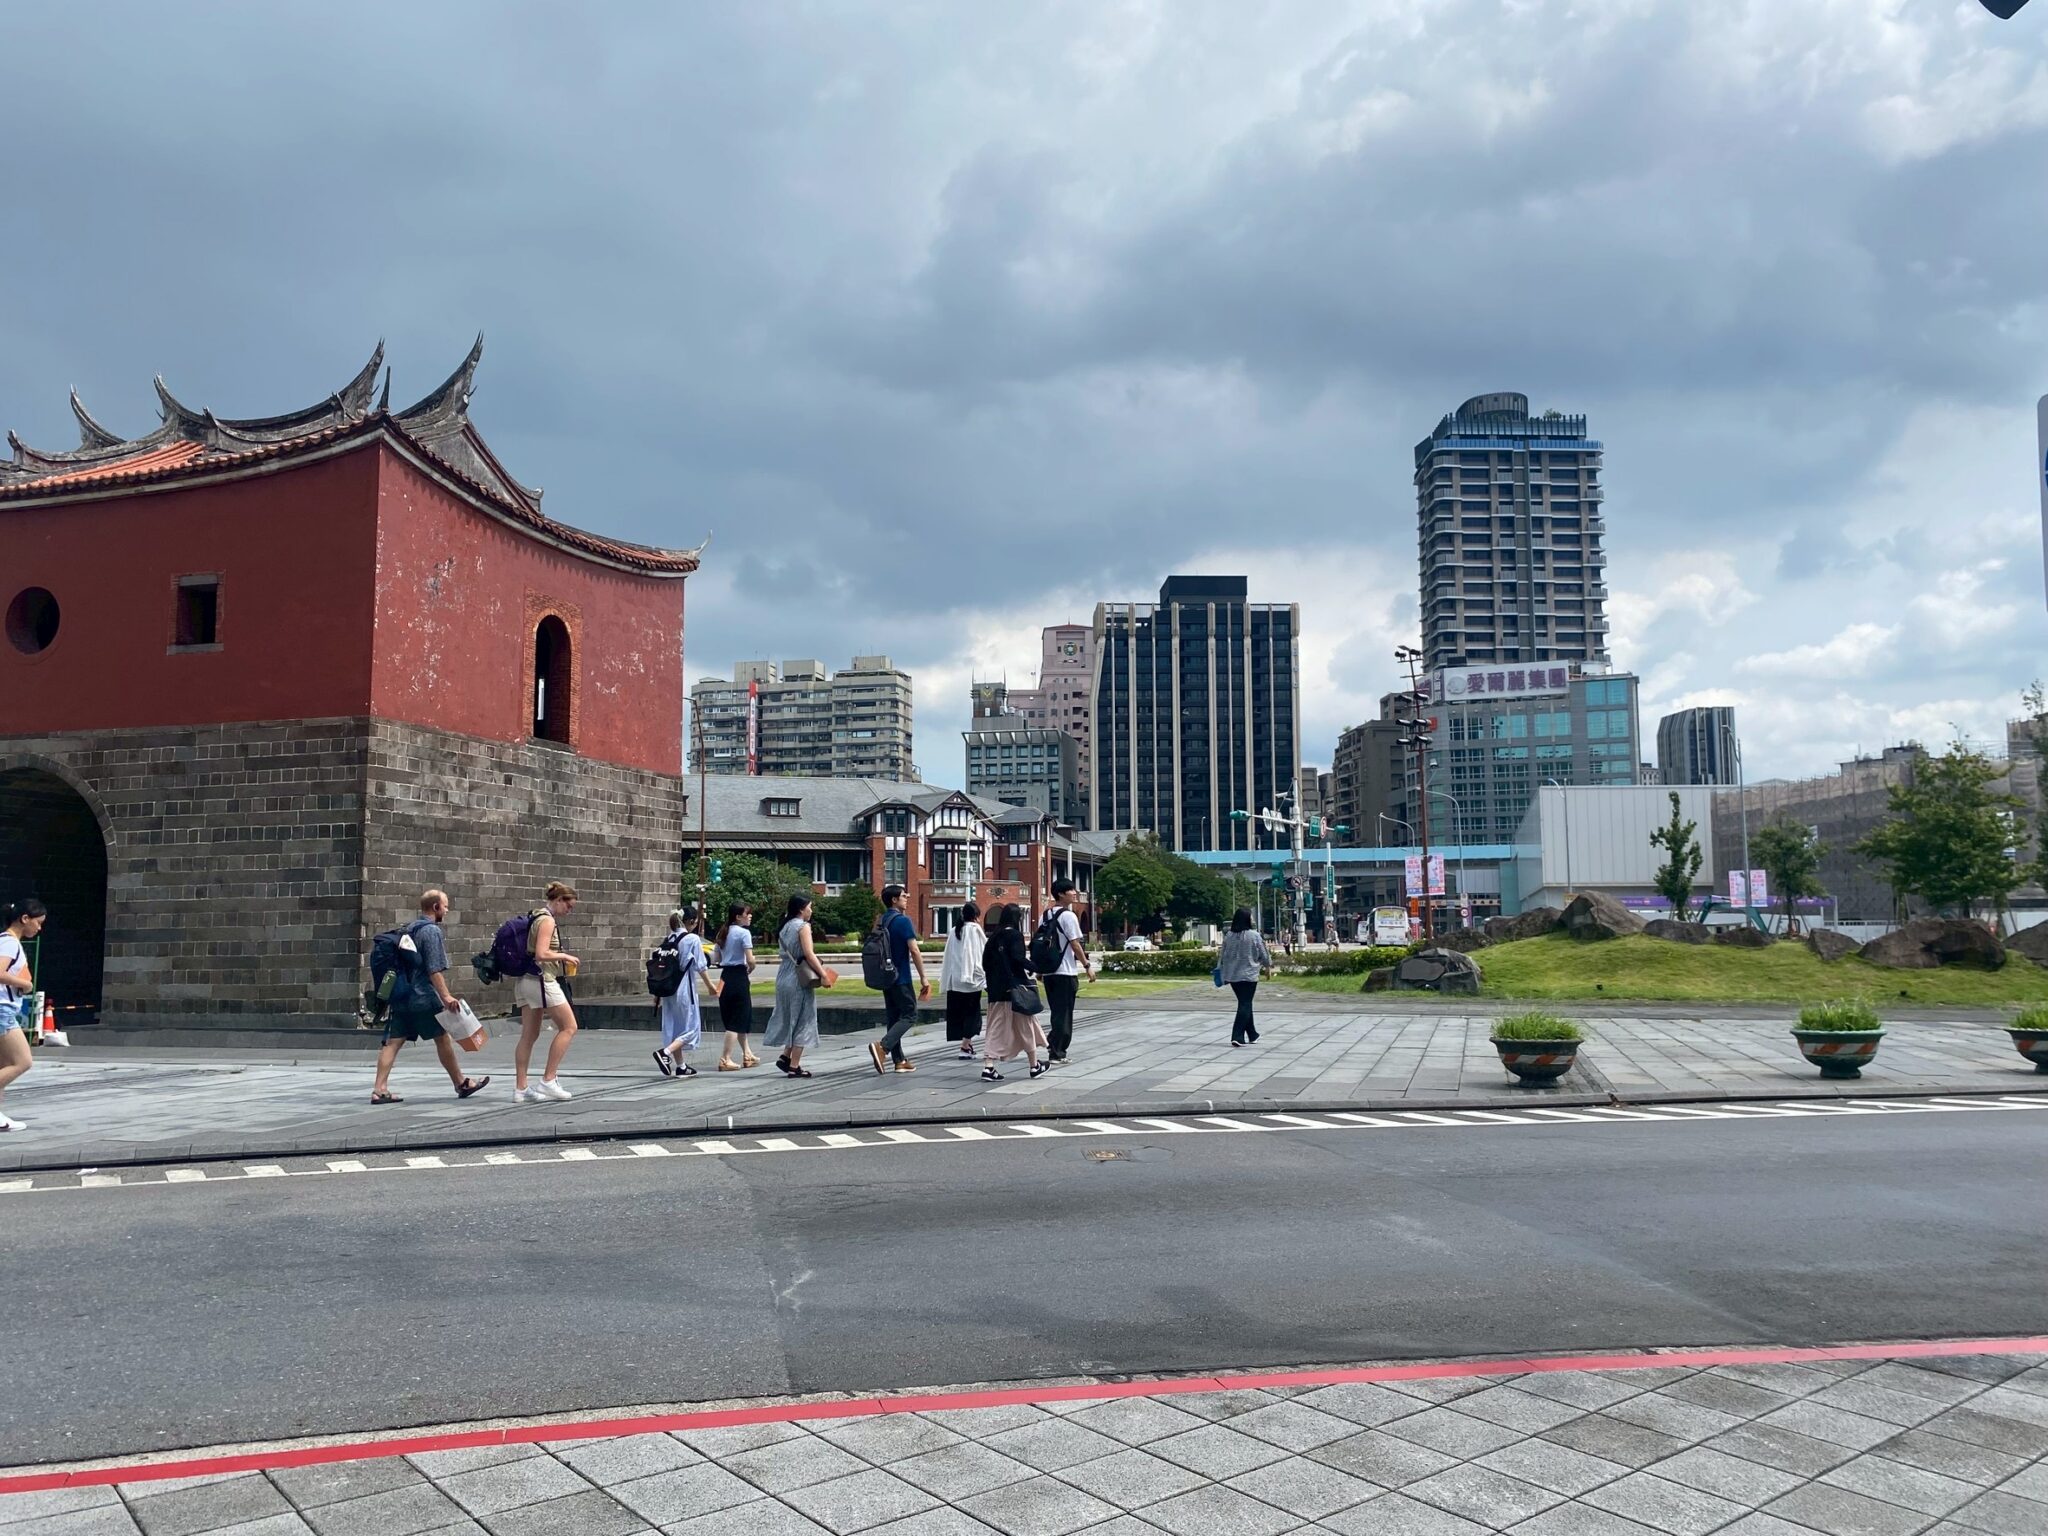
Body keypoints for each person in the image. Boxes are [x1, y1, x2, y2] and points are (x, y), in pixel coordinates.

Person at [370, 890, 490, 1104]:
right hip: (422, 996)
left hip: (401, 996)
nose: (447, 910)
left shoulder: (408, 929)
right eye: (445, 905)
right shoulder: (431, 931)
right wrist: (446, 997)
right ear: (435, 907)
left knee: (393, 1042)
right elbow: (434, 969)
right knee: (442, 1038)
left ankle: (379, 1090)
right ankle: (461, 1083)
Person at [513, 880, 581, 1103]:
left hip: (525, 980)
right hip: (542, 979)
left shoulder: (535, 916)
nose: (569, 911)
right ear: (559, 900)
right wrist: (565, 956)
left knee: (529, 1035)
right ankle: (549, 1079)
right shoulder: (547, 920)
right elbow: (541, 953)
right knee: (569, 1027)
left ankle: (521, 1088)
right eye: (568, 906)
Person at [764, 893, 833, 1076]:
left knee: (791, 1017)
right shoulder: (803, 926)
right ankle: (794, 1066)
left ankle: (785, 1056)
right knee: (804, 1019)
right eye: (810, 907)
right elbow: (809, 954)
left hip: (783, 975)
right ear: (802, 909)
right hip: (799, 978)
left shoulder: (785, 926)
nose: (811, 911)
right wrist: (823, 975)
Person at [980, 903, 1048, 1082]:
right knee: (1026, 1025)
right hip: (1016, 989)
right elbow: (1018, 958)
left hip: (996, 990)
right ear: (1018, 918)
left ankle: (988, 1066)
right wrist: (1035, 967)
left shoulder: (993, 937)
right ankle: (1034, 1065)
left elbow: (985, 963)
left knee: (995, 1028)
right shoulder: (1015, 935)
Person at [868, 883, 931, 1074]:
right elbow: (914, 950)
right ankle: (883, 1047)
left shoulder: (881, 920)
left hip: (885, 976)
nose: (907, 898)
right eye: (903, 895)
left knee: (894, 1017)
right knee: (910, 1014)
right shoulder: (903, 921)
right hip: (901, 976)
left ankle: (899, 1060)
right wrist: (924, 977)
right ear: (894, 900)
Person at [0, 898, 47, 1132]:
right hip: (2, 1010)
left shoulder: (5, 941)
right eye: (38, 922)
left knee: (5, 1064)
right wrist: (24, 984)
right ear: (25, 918)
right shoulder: (10, 943)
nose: (39, 928)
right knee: (22, 1062)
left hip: (5, 1009)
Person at [653, 906, 712, 1079]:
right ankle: (665, 1053)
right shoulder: (692, 939)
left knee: (675, 1027)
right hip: (684, 988)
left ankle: (681, 1066)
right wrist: (710, 986)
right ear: (691, 921)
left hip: (667, 990)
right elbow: (701, 966)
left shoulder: (669, 938)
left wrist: (657, 995)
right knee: (691, 1028)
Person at [1042, 876, 1094, 1065]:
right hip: (1065, 971)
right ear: (1061, 894)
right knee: (1064, 1014)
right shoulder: (1068, 916)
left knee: (1056, 1012)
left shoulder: (1045, 915)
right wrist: (1087, 966)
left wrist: (1041, 969)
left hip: (1049, 973)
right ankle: (1057, 1052)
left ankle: (1052, 1044)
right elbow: (1075, 944)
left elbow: (1042, 944)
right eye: (1071, 890)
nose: (1075, 893)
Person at [712, 902, 759, 1070]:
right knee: (737, 1019)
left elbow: (715, 958)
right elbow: (750, 959)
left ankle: (747, 1054)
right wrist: (751, 967)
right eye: (747, 913)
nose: (750, 916)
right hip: (739, 976)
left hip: (725, 977)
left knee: (736, 1017)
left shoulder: (723, 932)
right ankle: (725, 1059)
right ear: (738, 917)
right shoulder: (744, 933)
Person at [1219, 907, 1274, 1047]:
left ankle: (1252, 1034)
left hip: (1232, 976)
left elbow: (1223, 954)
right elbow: (1264, 953)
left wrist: (1222, 971)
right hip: (1249, 975)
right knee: (1245, 1004)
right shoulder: (1254, 935)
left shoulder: (1229, 936)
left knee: (1245, 1002)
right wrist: (1268, 967)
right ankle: (1237, 1036)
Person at [938, 902, 986, 1061]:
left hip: (955, 980)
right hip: (970, 980)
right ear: (976, 916)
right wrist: (983, 975)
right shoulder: (974, 929)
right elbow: (980, 954)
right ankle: (965, 1046)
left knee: (959, 1012)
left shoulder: (954, 930)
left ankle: (967, 1045)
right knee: (972, 1013)